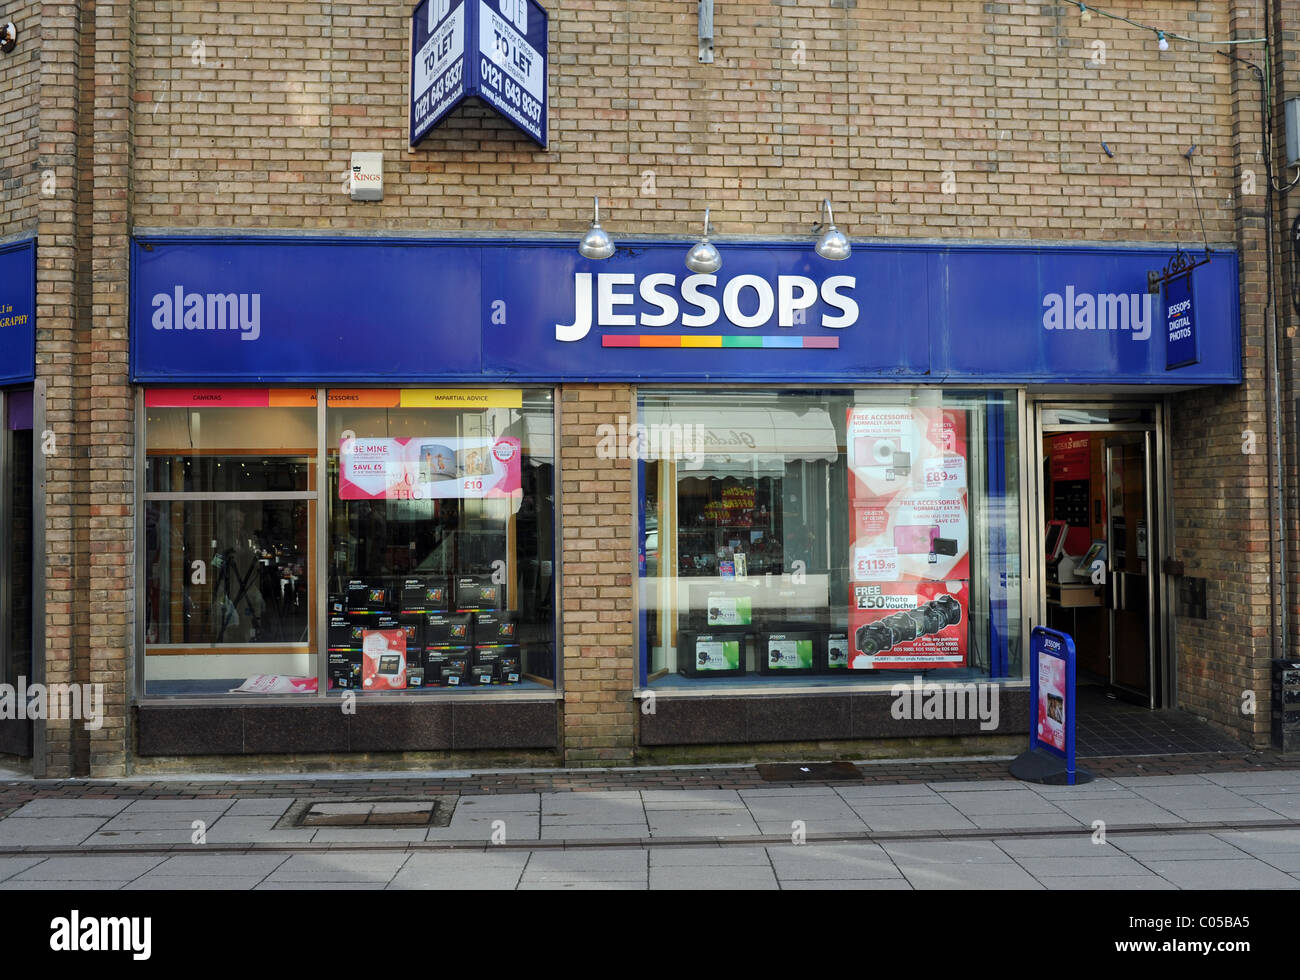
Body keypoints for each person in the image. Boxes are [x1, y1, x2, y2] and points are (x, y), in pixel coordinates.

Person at [211, 507, 266, 642]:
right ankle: (228, 641)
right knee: (227, 614)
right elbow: (215, 562)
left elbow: (252, 555)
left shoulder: (246, 537)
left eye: (240, 522)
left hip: (245, 580)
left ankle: (247, 638)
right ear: (229, 523)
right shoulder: (223, 539)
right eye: (234, 522)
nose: (237, 525)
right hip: (229, 581)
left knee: (250, 609)